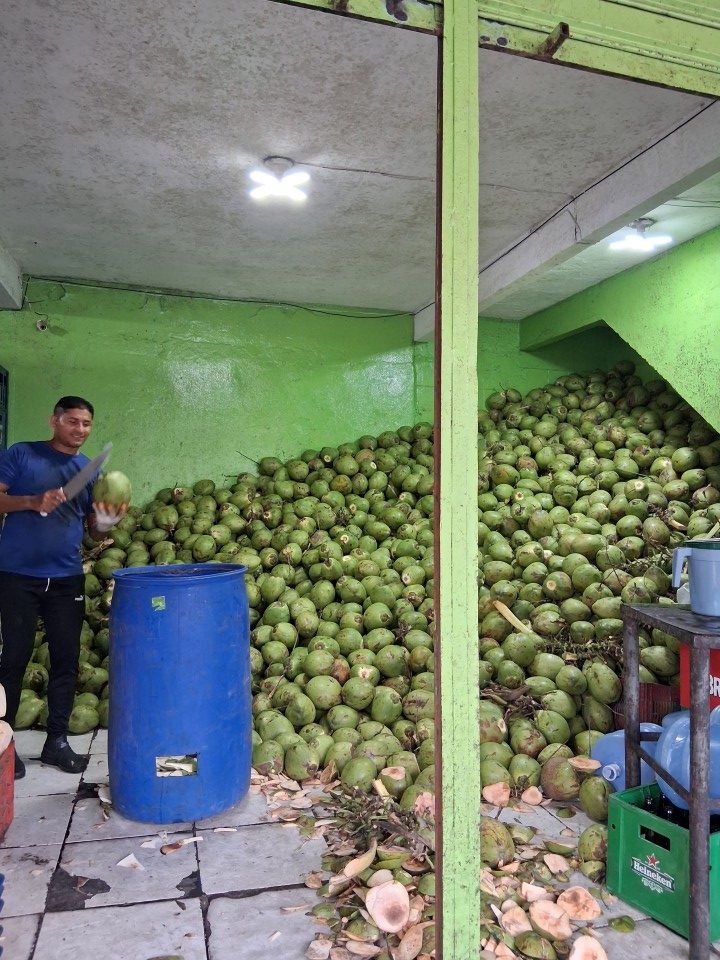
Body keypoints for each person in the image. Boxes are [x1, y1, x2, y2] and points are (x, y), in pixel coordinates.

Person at [0, 396, 127, 779]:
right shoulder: (21, 455)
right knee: (14, 659)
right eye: (73, 421)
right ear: (53, 420)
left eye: (87, 423)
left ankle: (56, 742)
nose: (80, 430)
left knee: (65, 661)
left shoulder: (85, 471)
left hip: (67, 577)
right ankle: (5, 747)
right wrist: (31, 500)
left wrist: (107, 520)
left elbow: (92, 530)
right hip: (17, 576)